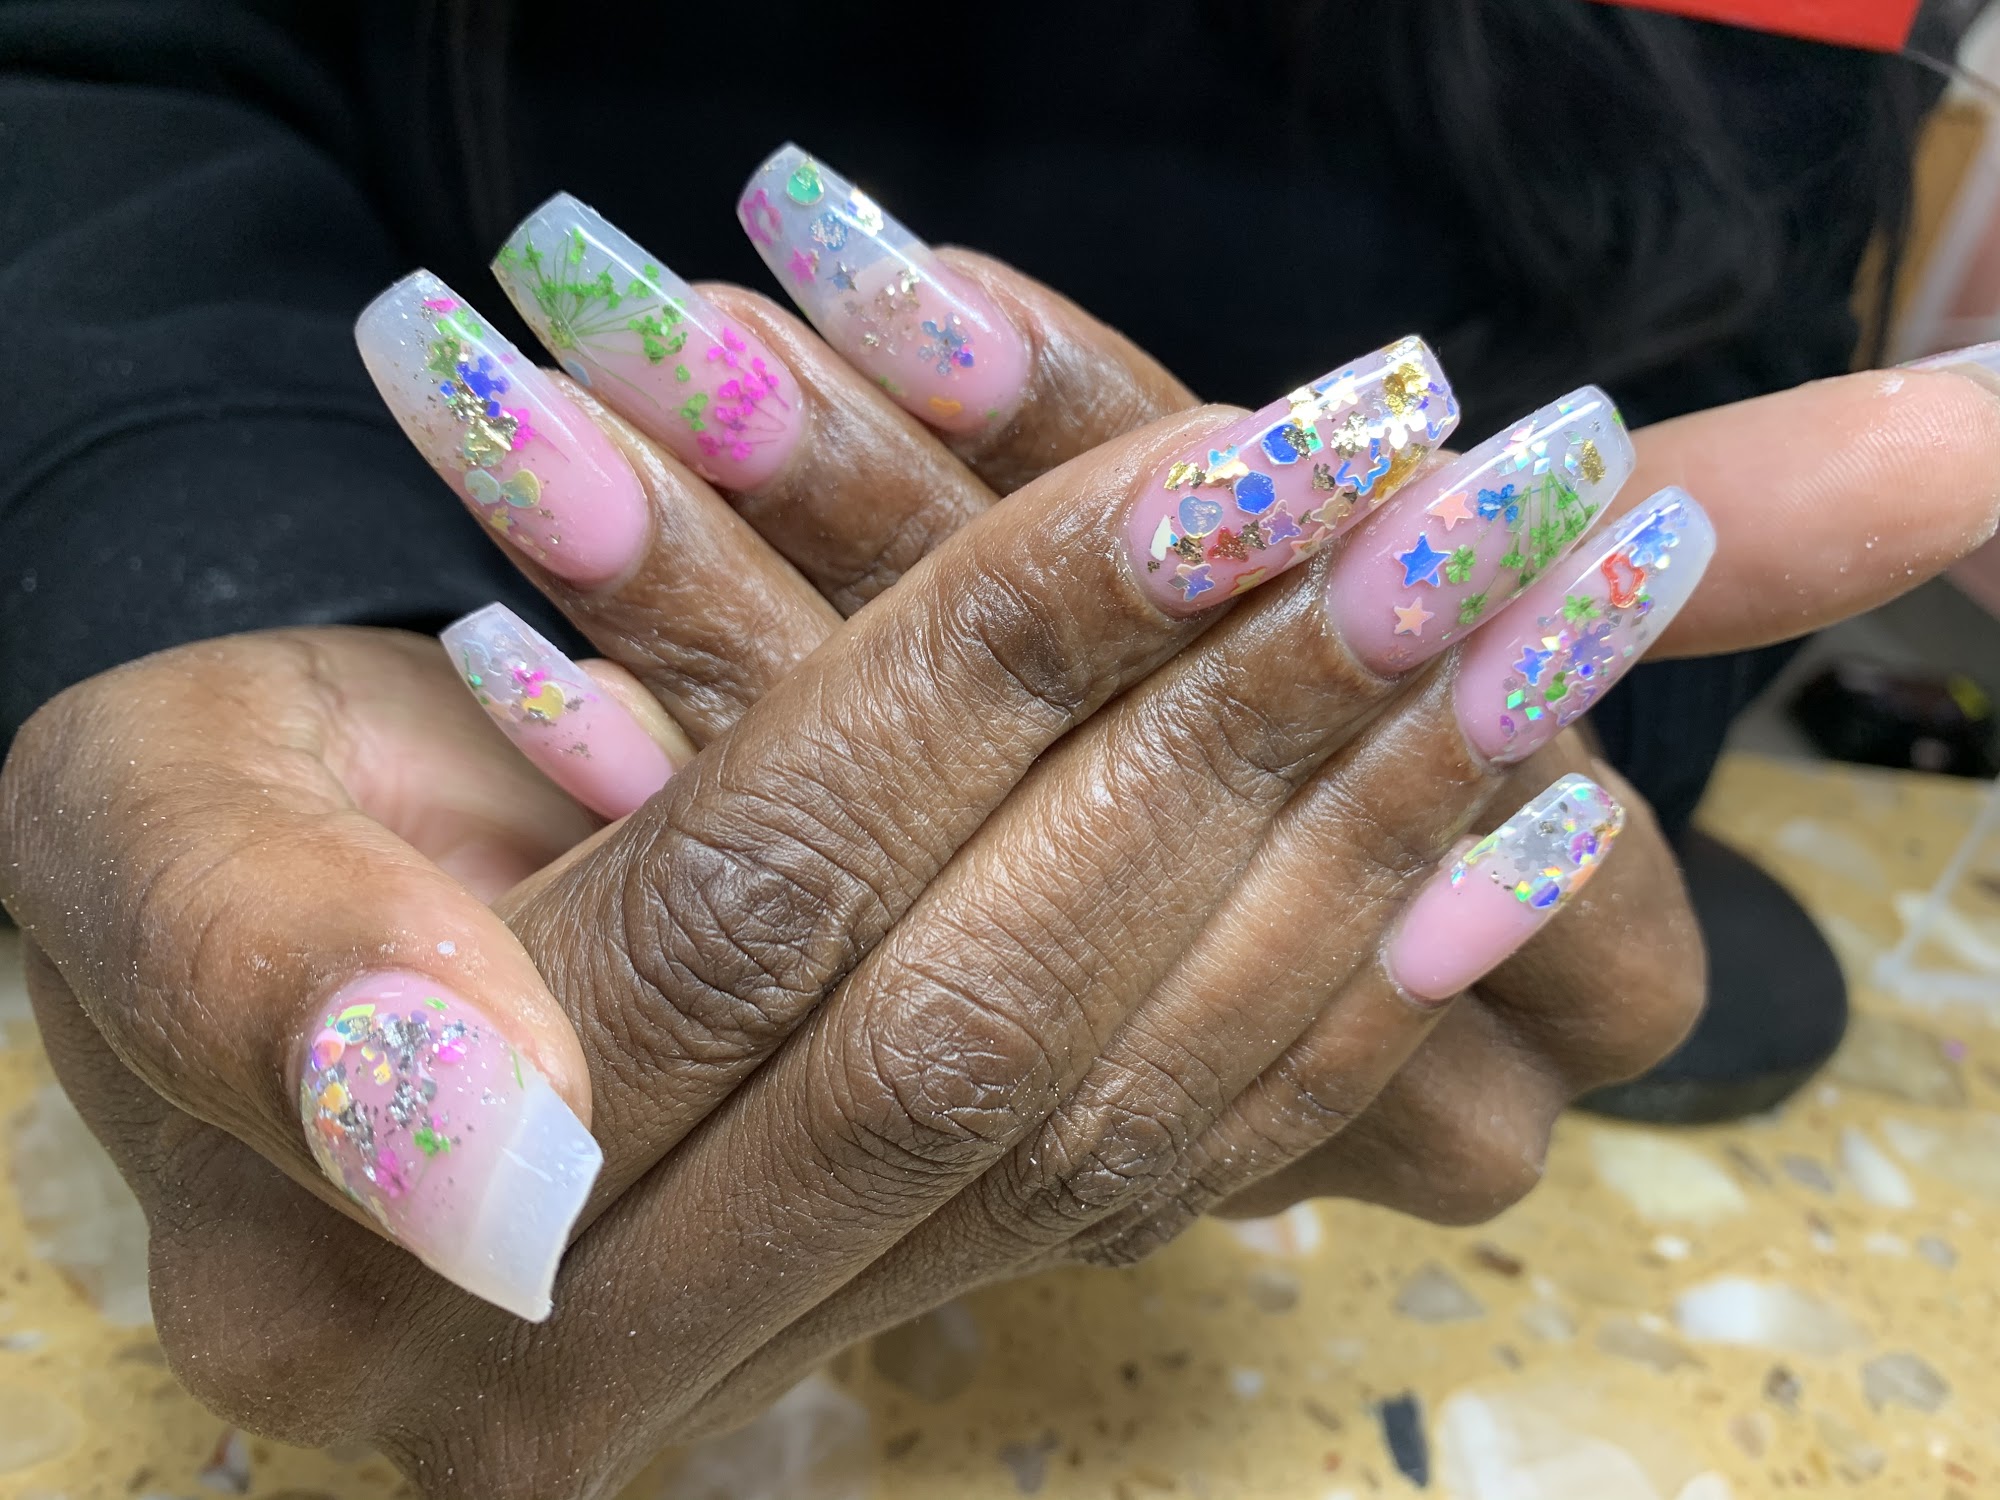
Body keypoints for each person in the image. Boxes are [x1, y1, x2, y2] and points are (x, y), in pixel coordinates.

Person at [2, 3, 1995, 1496]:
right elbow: (90, 68)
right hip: (481, 653)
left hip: (1405, 778)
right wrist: (194, 540)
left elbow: (1742, 259)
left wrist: (1521, 736)